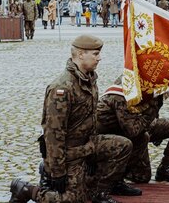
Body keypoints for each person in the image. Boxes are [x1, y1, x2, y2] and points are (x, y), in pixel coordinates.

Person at [9, 35, 140, 203]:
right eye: (95, 54)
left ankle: (97, 192)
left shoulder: (89, 78)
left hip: (87, 145)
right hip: (69, 153)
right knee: (72, 200)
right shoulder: (62, 88)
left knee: (123, 146)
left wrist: (93, 152)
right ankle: (27, 190)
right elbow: (53, 135)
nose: (99, 58)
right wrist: (57, 171)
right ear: (80, 54)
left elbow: (91, 119)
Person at [97, 76, 169, 185]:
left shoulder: (154, 80)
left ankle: (164, 170)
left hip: (139, 124)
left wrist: (154, 116)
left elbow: (151, 110)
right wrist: (151, 112)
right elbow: (133, 131)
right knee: (142, 177)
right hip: (117, 131)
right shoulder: (125, 87)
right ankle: (116, 176)